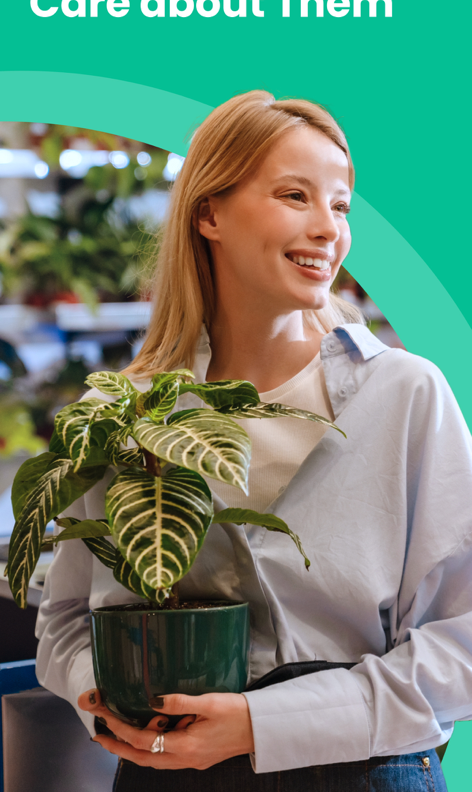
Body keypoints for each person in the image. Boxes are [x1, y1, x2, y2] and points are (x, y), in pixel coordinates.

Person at [36, 91, 472, 791]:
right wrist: (117, 702)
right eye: (295, 196)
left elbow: (462, 647)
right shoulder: (123, 417)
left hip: (361, 772)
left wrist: (260, 724)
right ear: (208, 214)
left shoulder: (405, 394)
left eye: (340, 206)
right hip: (166, 772)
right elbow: (64, 623)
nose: (328, 229)